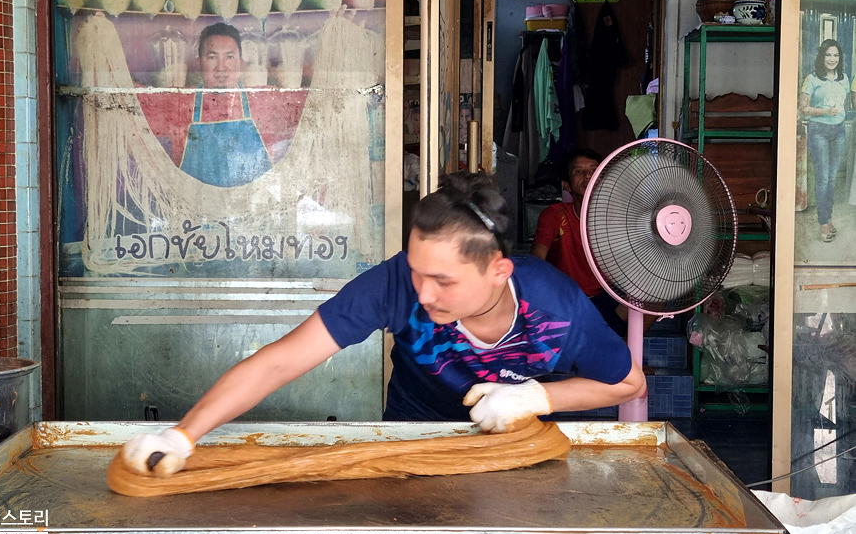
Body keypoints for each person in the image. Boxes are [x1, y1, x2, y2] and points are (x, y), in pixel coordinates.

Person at [122, 171, 646, 476]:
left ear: (497, 271)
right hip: (410, 442)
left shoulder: (558, 308)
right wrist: (185, 434)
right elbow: (281, 361)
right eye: (417, 272)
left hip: (515, 450)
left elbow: (628, 382)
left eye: (443, 281)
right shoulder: (395, 283)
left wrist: (540, 398)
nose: (423, 293)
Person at [138, 22, 306, 187]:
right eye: (212, 57)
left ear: (240, 63)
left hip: (251, 209)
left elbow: (314, 106)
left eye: (229, 57)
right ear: (199, 63)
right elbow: (130, 100)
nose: (221, 68)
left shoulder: (266, 99)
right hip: (197, 209)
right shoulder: (180, 102)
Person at [531, 148, 636, 337]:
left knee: (655, 296)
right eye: (578, 171)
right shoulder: (555, 214)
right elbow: (537, 258)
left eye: (593, 170)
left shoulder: (618, 217)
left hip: (606, 300)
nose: (587, 175)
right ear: (567, 185)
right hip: (568, 300)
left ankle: (628, 355)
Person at [799, 38, 851, 242]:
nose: (832, 59)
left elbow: (843, 103)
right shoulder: (811, 79)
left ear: (840, 57)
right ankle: (823, 223)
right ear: (822, 57)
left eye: (836, 55)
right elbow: (803, 109)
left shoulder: (844, 78)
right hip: (818, 130)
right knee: (822, 178)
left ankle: (828, 219)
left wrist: (837, 114)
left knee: (832, 178)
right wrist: (826, 111)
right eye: (828, 55)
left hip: (838, 131)